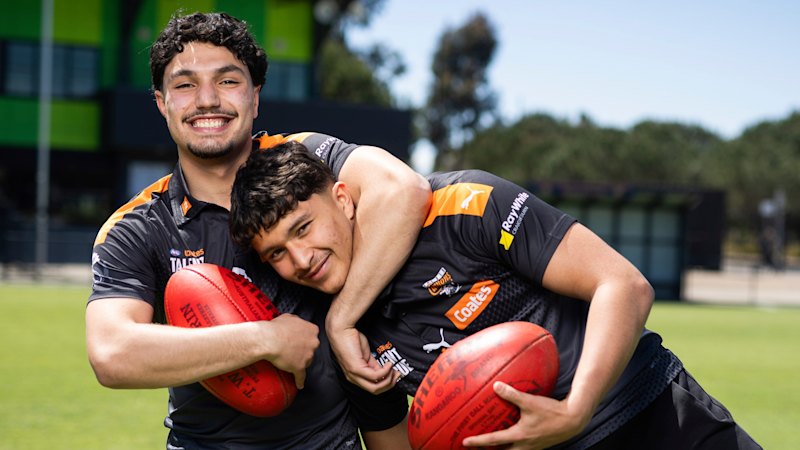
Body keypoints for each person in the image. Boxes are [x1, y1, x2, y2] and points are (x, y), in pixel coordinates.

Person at [229, 141, 762, 450]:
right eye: (276, 253)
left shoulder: (466, 203)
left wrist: (575, 410)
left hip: (650, 413)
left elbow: (623, 284)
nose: (300, 259)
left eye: (303, 229)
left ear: (342, 198)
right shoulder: (342, 335)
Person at [85, 11, 431, 449]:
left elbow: (404, 190)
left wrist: (341, 322)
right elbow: (112, 354)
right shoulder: (136, 227)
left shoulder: (307, 159)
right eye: (185, 84)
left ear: (255, 97)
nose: (207, 99)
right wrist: (263, 340)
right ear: (162, 102)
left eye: (228, 81)